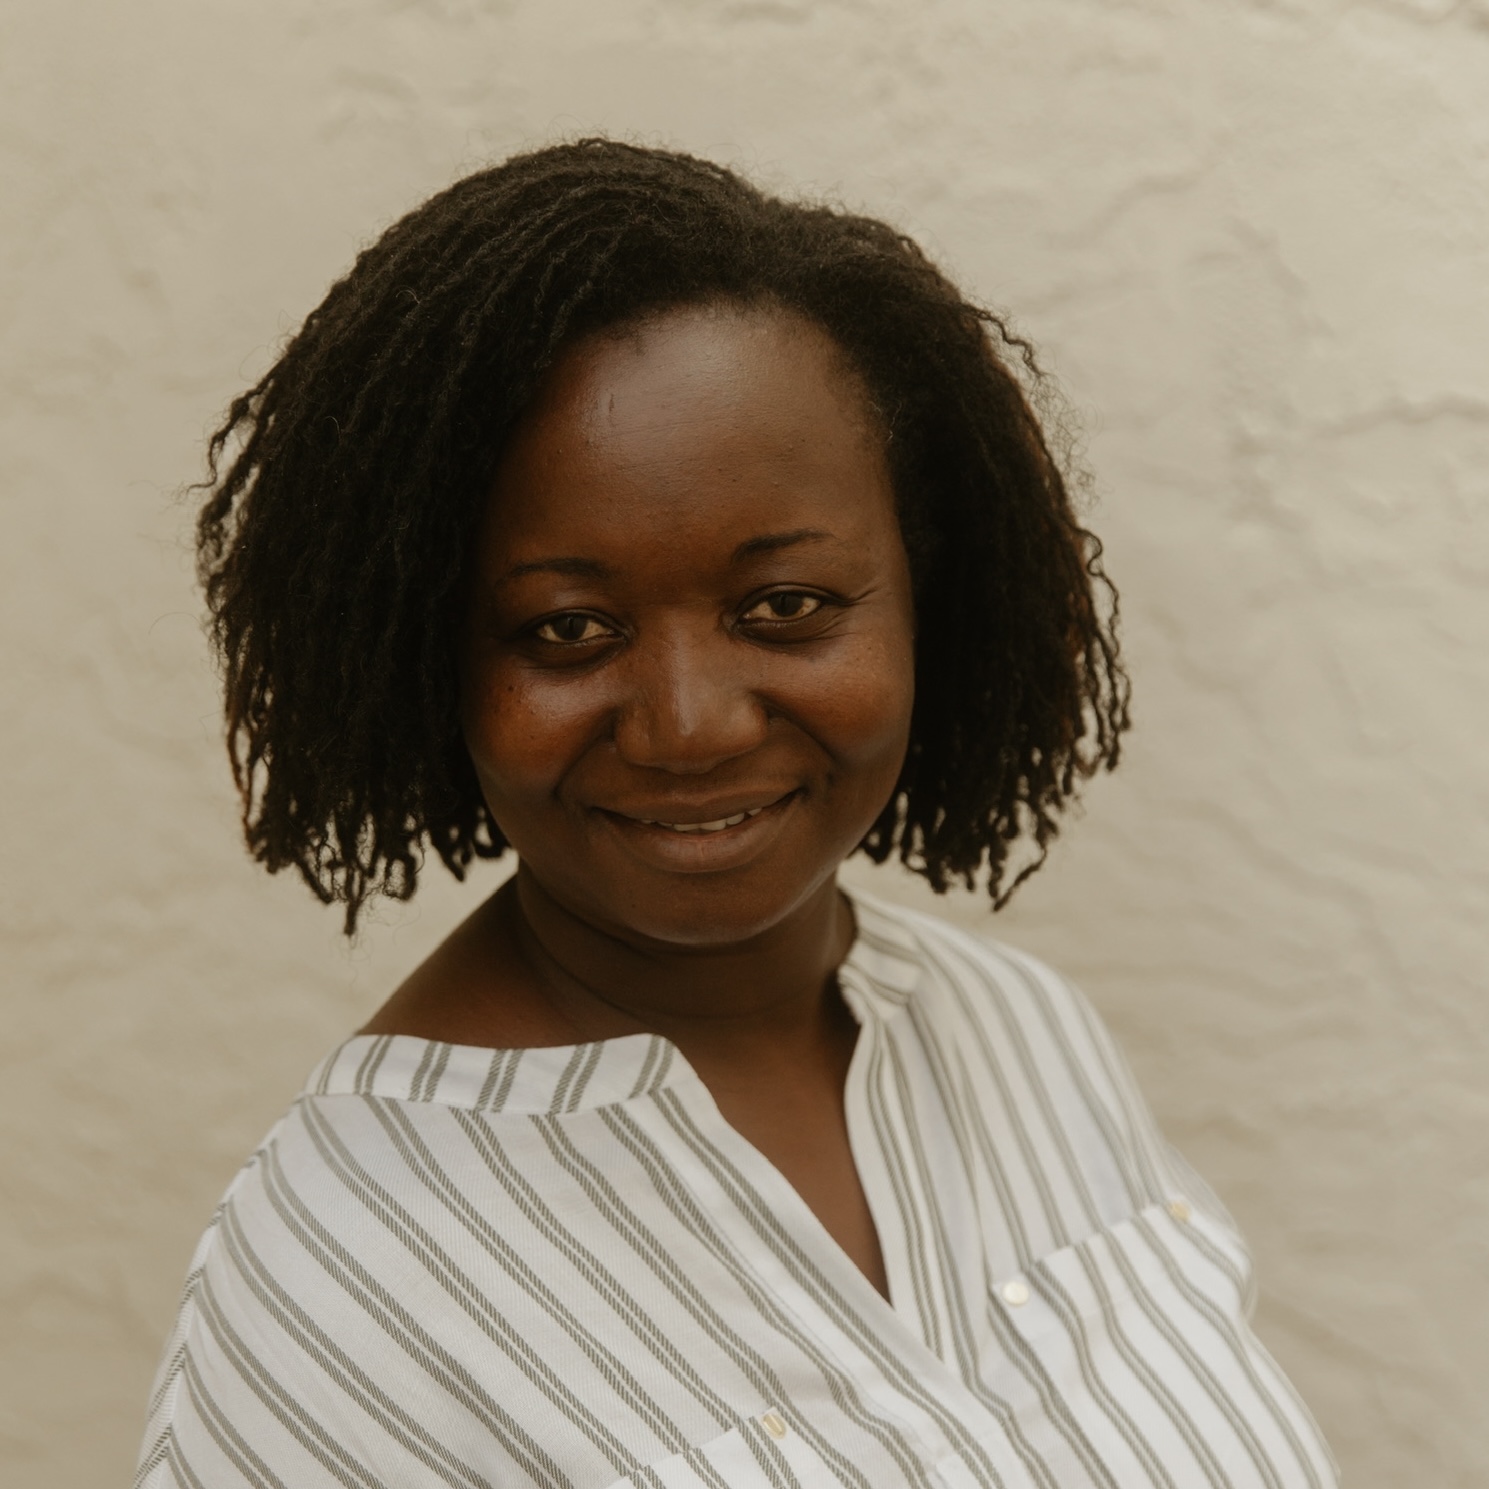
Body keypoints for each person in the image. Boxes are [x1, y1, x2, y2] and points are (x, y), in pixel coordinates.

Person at [137, 139, 1335, 1489]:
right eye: (568, 627)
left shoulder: (1016, 1031)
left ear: (928, 595)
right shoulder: (336, 1279)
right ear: (428, 659)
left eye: (785, 606)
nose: (689, 724)